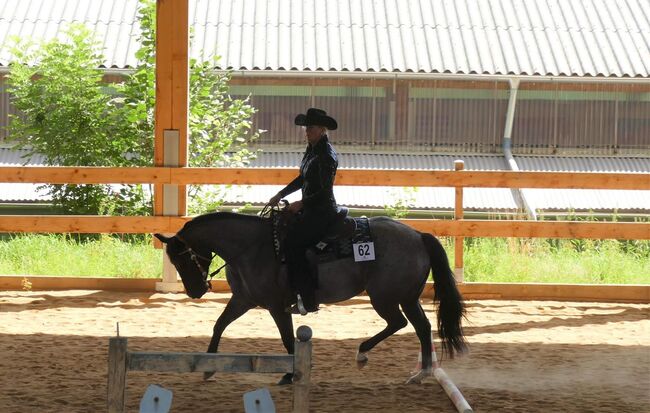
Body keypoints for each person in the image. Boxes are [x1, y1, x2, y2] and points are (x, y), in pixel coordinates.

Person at [268, 108, 339, 315]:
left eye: (311, 127)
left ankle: (308, 299)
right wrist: (281, 194)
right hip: (312, 209)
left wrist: (302, 203)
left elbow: (325, 191)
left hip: (322, 211)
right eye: (306, 127)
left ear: (322, 129)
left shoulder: (326, 155)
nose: (307, 131)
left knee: (293, 245)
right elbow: (303, 179)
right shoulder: (313, 150)